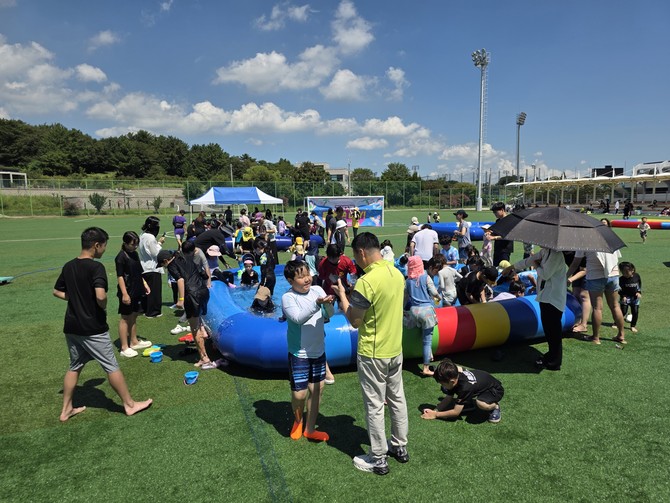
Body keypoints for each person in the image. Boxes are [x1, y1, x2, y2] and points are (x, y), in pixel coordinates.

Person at [53, 227, 153, 421]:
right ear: (96, 245)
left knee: (74, 366)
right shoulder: (96, 267)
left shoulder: (68, 266)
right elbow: (100, 296)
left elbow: (57, 291)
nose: (105, 249)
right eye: (104, 245)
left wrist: (77, 299)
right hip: (93, 327)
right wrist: (102, 304)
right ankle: (130, 405)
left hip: (72, 326)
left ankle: (66, 410)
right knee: (111, 366)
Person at [330, 232, 409, 476]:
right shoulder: (397, 273)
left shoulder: (366, 282)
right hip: (395, 348)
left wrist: (342, 296)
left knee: (374, 405)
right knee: (397, 398)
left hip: (373, 352)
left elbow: (355, 321)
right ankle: (400, 446)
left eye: (355, 256)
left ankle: (378, 458)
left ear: (362, 252)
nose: (356, 261)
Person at [281, 260, 335, 442]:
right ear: (290, 281)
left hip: (318, 351)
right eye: (301, 276)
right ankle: (298, 421)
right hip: (300, 353)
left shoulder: (318, 290)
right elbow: (297, 318)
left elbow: (329, 314)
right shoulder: (288, 297)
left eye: (307, 274)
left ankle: (310, 429)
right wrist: (317, 304)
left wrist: (328, 304)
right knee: (299, 394)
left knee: (317, 390)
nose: (307, 279)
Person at [506, 247, 567, 370]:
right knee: (549, 330)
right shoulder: (545, 252)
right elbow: (529, 260)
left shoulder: (556, 255)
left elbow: (545, 274)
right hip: (546, 296)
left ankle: (554, 362)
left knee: (553, 331)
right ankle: (551, 355)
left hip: (553, 298)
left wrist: (536, 265)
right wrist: (511, 267)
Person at [159, 243, 217, 370]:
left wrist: (181, 300)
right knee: (199, 319)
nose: (164, 267)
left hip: (192, 296)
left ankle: (205, 359)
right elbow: (204, 274)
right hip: (203, 292)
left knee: (194, 328)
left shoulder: (172, 265)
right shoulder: (186, 258)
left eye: (162, 264)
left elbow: (180, 280)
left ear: (165, 261)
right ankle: (204, 334)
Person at [567, 249, 625, 345]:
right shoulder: (609, 241)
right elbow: (616, 257)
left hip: (595, 276)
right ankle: (621, 335)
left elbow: (575, 263)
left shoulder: (584, 243)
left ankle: (596, 337)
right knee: (615, 306)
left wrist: (566, 276)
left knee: (597, 308)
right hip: (613, 275)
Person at [421, 358, 503, 423]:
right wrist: (435, 410)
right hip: (481, 384)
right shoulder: (455, 374)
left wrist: (436, 415)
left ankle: (495, 406)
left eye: (442, 383)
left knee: (481, 403)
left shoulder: (465, 388)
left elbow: (455, 412)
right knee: (446, 389)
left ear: (452, 382)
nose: (442, 385)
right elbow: (448, 398)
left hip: (495, 389)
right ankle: (468, 403)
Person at [115, 231, 152, 357]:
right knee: (125, 317)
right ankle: (124, 347)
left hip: (137, 289)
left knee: (134, 315)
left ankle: (134, 341)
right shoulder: (121, 257)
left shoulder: (134, 254)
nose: (135, 247)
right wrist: (125, 294)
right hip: (127, 290)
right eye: (132, 244)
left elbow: (138, 272)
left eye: (137, 244)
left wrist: (145, 284)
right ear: (125, 243)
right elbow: (120, 276)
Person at [404, 256, 440, 376]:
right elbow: (434, 292)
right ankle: (426, 367)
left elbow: (405, 298)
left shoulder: (408, 281)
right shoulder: (426, 277)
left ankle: (429, 354)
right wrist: (438, 297)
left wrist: (402, 309)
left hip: (414, 311)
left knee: (422, 331)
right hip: (426, 312)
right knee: (427, 341)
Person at [138, 216, 165, 318]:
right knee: (154, 292)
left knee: (147, 291)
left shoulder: (142, 235)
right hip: (153, 267)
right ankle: (153, 312)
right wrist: (159, 243)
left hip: (144, 266)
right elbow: (155, 253)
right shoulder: (150, 237)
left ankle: (144, 309)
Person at [619, 261, 642, 333]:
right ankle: (616, 323)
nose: (625, 274)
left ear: (632, 270)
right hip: (625, 297)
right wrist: (623, 296)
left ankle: (633, 326)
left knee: (635, 312)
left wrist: (639, 292)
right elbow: (619, 289)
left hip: (635, 298)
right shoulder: (621, 279)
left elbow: (639, 285)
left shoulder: (637, 276)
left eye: (627, 272)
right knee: (623, 311)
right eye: (623, 272)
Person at [490, 202, 514, 267]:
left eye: (495, 212)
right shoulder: (497, 221)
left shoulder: (510, 220)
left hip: (505, 249)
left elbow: (508, 235)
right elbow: (496, 233)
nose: (494, 214)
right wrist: (490, 233)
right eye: (493, 212)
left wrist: (494, 237)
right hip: (497, 248)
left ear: (502, 210)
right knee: (495, 267)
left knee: (504, 268)